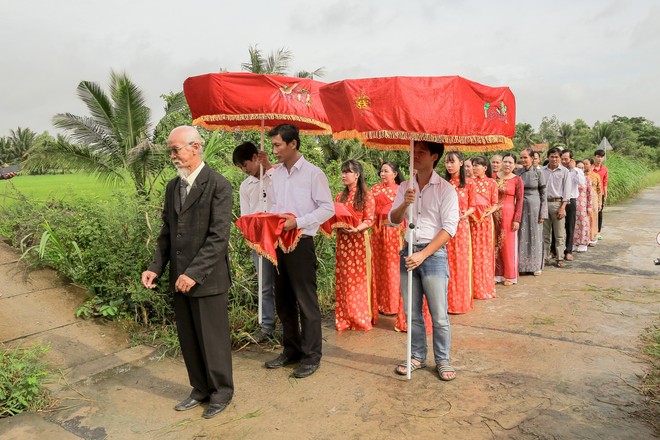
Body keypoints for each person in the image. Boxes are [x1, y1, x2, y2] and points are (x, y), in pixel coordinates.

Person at [141, 126, 233, 419]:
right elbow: (167, 232)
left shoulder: (218, 184)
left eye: (176, 149)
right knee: (190, 338)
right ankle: (199, 389)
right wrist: (155, 267)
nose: (172, 156)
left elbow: (218, 237)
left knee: (212, 339)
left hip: (206, 277)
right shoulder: (173, 187)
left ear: (195, 147)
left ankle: (221, 392)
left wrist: (193, 272)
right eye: (170, 150)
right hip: (179, 277)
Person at [265, 124, 334, 379]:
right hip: (279, 243)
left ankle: (312, 355)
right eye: (273, 145)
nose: (275, 151)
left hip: (302, 241)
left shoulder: (313, 174)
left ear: (293, 144)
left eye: (278, 145)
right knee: (283, 300)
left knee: (306, 301)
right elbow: (273, 205)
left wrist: (300, 221)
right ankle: (291, 349)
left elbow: (328, 208)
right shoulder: (276, 174)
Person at [389, 141, 459, 381]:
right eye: (413, 151)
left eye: (420, 152)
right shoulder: (404, 187)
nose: (415, 156)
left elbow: (449, 229)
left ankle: (443, 359)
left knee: (439, 313)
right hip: (408, 251)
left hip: (433, 255)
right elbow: (393, 219)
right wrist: (404, 203)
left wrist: (423, 254)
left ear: (434, 156)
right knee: (412, 312)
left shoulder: (446, 189)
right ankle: (416, 355)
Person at [232, 142, 277, 343]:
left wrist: (269, 168)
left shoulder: (276, 175)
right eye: (241, 168)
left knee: (285, 284)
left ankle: (289, 325)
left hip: (280, 239)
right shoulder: (246, 186)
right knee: (264, 285)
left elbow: (286, 194)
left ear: (255, 157)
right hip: (259, 242)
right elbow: (245, 216)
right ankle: (267, 326)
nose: (244, 170)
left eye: (245, 165)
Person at [334, 160, 375, 331]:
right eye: (343, 172)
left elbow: (370, 220)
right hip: (343, 241)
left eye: (348, 172)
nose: (344, 175)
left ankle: (360, 318)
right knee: (344, 280)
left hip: (358, 241)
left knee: (358, 280)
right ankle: (344, 319)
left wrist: (356, 228)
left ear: (357, 174)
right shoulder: (339, 197)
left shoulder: (366, 196)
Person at [370, 162, 405, 317]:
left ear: (395, 174)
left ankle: (392, 305)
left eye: (386, 171)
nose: (382, 174)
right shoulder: (375, 189)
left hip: (393, 233)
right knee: (378, 267)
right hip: (377, 233)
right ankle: (378, 303)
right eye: (381, 171)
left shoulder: (400, 190)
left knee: (392, 268)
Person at [444, 151, 475, 313]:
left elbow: (473, 206)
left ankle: (460, 303)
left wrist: (465, 214)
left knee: (460, 264)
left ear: (461, 163)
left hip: (461, 228)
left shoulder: (469, 184)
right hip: (444, 229)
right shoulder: (443, 184)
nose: (449, 165)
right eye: (447, 162)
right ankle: (446, 303)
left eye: (452, 162)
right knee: (446, 263)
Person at [469, 156, 498, 299]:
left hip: (485, 223)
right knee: (473, 252)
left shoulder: (492, 183)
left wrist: (486, 213)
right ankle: (472, 288)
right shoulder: (469, 183)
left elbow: (495, 203)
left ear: (485, 168)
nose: (474, 168)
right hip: (471, 221)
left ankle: (485, 287)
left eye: (477, 165)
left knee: (485, 253)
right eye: (473, 165)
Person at [494, 153, 524, 285]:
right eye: (505, 161)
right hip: (494, 215)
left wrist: (517, 219)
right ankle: (496, 274)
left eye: (510, 162)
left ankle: (510, 275)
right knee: (495, 244)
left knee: (507, 244)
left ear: (514, 165)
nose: (507, 164)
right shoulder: (494, 177)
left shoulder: (517, 180)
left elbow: (520, 201)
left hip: (508, 214)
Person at [516, 148, 547, 276]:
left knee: (535, 235)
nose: (523, 160)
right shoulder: (517, 172)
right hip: (521, 206)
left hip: (535, 207)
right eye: (521, 157)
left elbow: (544, 194)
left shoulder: (538, 173)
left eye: (525, 157)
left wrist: (543, 213)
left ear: (532, 158)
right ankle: (522, 266)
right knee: (522, 236)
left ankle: (535, 266)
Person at [541, 148, 571, 268]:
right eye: (552, 156)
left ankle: (559, 258)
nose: (554, 159)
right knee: (545, 234)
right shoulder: (542, 171)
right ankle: (545, 258)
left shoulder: (564, 171)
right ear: (548, 157)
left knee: (559, 234)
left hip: (558, 204)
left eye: (557, 157)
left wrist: (563, 207)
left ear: (560, 158)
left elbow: (567, 191)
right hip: (544, 204)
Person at [560, 150, 580, 261]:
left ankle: (568, 250)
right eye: (562, 159)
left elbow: (581, 182)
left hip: (571, 201)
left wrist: (573, 169)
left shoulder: (576, 171)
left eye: (566, 159)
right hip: (558, 200)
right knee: (557, 227)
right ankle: (554, 250)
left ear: (571, 159)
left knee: (570, 226)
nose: (564, 161)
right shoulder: (558, 170)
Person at [572, 160, 593, 253]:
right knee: (572, 224)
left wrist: (589, 206)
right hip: (572, 203)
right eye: (578, 167)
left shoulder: (587, 179)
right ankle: (573, 242)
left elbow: (590, 193)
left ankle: (583, 243)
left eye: (581, 167)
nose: (580, 169)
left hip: (583, 205)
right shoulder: (572, 178)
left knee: (583, 224)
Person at [583, 158, 602, 246]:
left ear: (591, 165)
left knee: (593, 217)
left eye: (586, 164)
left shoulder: (596, 176)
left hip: (594, 199)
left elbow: (599, 190)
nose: (584, 165)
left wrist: (600, 202)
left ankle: (592, 237)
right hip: (583, 198)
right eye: (583, 164)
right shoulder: (581, 175)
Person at [593, 149, 609, 239]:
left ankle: (598, 231)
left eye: (601, 157)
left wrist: (605, 194)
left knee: (599, 212)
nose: (599, 159)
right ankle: (590, 231)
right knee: (590, 212)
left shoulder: (605, 169)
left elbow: (605, 182)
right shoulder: (590, 167)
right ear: (595, 157)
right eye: (598, 156)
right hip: (590, 193)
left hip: (600, 194)